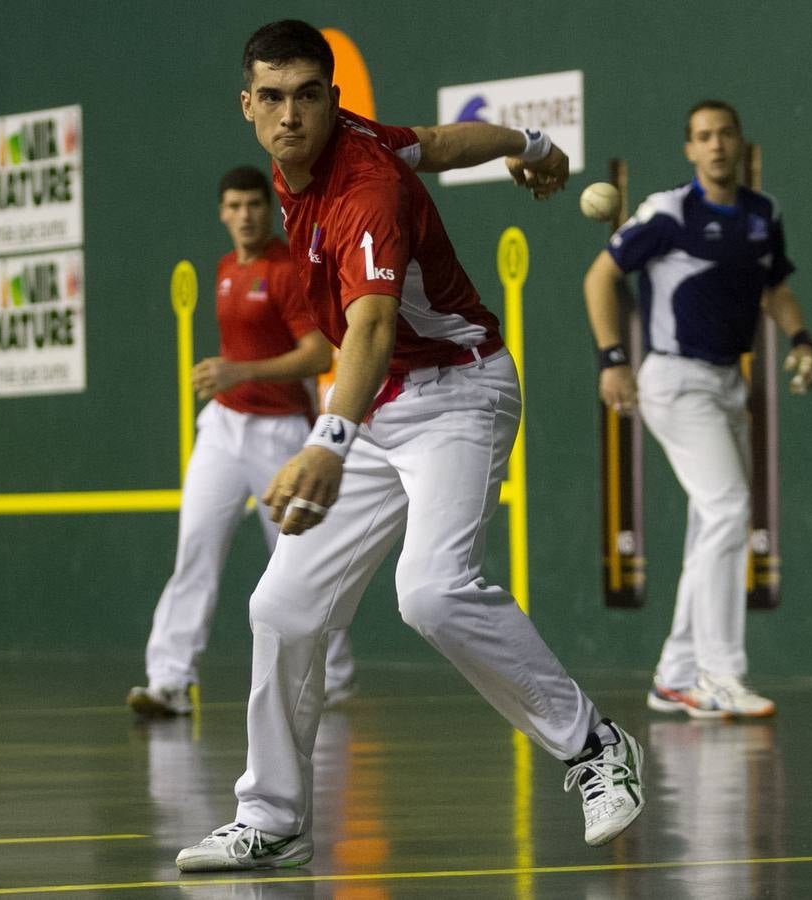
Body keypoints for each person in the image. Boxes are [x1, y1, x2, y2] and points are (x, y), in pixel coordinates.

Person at [175, 20, 645, 872]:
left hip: (458, 395)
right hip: (380, 408)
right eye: (272, 98)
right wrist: (530, 141)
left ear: (330, 99)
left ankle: (593, 746)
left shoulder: (363, 190)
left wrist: (326, 440)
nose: (290, 116)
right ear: (247, 106)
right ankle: (274, 818)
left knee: (429, 592)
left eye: (307, 97)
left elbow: (374, 326)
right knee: (279, 608)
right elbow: (434, 141)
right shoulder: (343, 144)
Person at [583, 100, 812, 720]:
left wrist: (801, 339)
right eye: (703, 137)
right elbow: (600, 278)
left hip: (725, 385)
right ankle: (720, 674)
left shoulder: (764, 216)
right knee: (728, 509)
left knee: (710, 522)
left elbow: (774, 287)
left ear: (741, 142)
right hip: (673, 380)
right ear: (690, 150)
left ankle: (676, 673)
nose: (716, 146)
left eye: (725, 135)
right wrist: (612, 360)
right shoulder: (667, 213)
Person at [127, 165, 356, 717]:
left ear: (266, 210)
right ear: (223, 213)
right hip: (224, 428)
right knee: (195, 549)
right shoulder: (227, 268)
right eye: (234, 205)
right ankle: (169, 681)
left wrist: (238, 371)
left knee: (297, 560)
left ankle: (333, 674)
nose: (245, 215)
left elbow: (318, 354)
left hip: (281, 434)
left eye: (254, 204)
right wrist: (232, 380)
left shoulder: (287, 270)